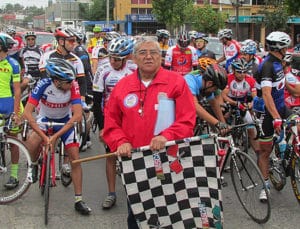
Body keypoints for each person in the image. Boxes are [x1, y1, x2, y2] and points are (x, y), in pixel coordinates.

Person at [102, 36, 196, 229]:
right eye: (142, 53)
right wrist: (120, 142)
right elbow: (111, 122)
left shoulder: (176, 83)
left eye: (153, 52)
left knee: (169, 211)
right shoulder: (122, 86)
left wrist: (167, 136)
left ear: (161, 58)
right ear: (134, 59)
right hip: (134, 162)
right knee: (136, 213)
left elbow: (187, 120)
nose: (148, 57)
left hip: (168, 159)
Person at [23, 58, 91, 215]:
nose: (71, 84)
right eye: (67, 82)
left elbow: (78, 116)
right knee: (33, 142)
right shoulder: (43, 85)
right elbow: (27, 113)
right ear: (56, 81)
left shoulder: (72, 86)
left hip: (65, 121)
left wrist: (54, 137)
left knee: (75, 158)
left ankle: (78, 199)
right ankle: (33, 165)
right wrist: (43, 136)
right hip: (45, 118)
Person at [93, 37, 136, 210]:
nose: (113, 61)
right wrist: (102, 127)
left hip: (131, 118)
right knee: (110, 156)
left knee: (132, 155)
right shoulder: (103, 70)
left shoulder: (134, 69)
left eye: (117, 59)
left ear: (126, 58)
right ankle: (111, 193)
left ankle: (135, 192)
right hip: (111, 118)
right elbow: (97, 102)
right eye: (111, 57)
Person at [254, 31, 292, 202]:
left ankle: (288, 153)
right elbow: (267, 94)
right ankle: (265, 185)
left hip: (281, 107)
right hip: (267, 113)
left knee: (297, 125)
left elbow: (284, 87)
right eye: (286, 46)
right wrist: (276, 117)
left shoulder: (279, 63)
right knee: (265, 150)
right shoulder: (267, 65)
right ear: (280, 48)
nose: (288, 49)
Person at [39, 27, 87, 105]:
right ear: (61, 41)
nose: (74, 43)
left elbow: (81, 82)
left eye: (75, 40)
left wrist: (82, 99)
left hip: (69, 98)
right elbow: (45, 78)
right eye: (71, 41)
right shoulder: (47, 57)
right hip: (50, 98)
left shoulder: (76, 59)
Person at [222, 58, 260, 155]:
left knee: (250, 124)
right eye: (239, 72)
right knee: (225, 117)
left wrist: (252, 104)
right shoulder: (229, 78)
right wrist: (234, 103)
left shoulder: (250, 80)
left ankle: (258, 152)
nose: (242, 74)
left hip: (243, 102)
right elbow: (223, 95)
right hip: (230, 101)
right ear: (234, 71)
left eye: (244, 72)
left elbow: (254, 95)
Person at [0, 33, 22, 189]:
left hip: (9, 105)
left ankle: (14, 175)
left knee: (13, 140)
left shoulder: (13, 64)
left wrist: (15, 112)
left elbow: (18, 91)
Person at [184, 57, 228, 131]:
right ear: (210, 83)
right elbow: (195, 106)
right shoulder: (189, 81)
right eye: (215, 89)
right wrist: (217, 123)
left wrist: (223, 123)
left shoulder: (205, 85)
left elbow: (214, 103)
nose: (215, 91)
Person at [73, 30, 94, 151]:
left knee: (84, 113)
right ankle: (87, 138)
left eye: (73, 41)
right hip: (83, 83)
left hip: (86, 84)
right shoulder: (75, 50)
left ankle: (85, 139)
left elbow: (84, 70)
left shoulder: (80, 51)